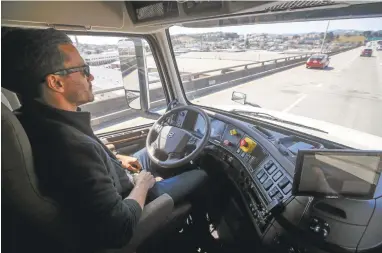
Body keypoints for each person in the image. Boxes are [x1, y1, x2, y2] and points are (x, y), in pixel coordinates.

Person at [2, 28, 208, 251]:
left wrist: (114, 158)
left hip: (117, 179)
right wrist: (143, 184)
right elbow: (118, 228)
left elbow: (88, 160)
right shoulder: (72, 147)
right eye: (83, 70)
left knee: (150, 156)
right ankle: (199, 239)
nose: (91, 77)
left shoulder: (32, 118)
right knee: (203, 173)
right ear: (56, 83)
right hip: (132, 197)